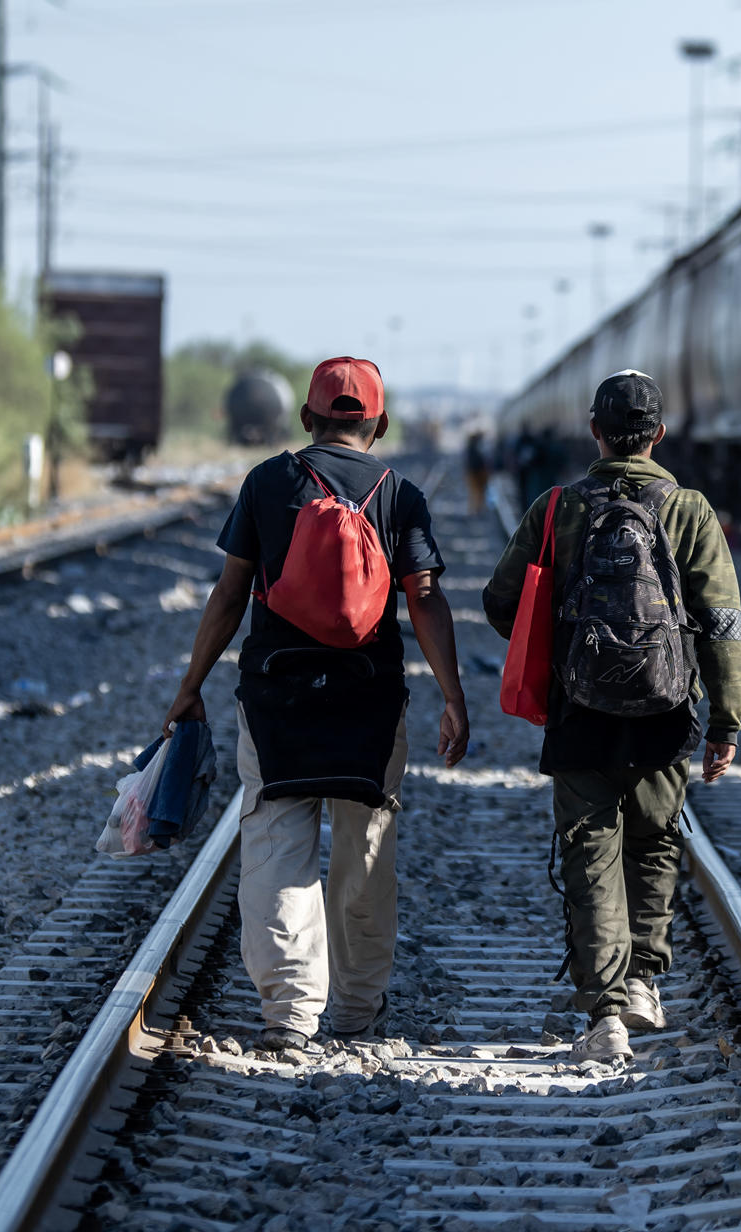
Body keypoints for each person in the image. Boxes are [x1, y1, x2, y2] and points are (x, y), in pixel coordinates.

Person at [163, 356, 469, 1052]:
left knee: (276, 847)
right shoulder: (401, 494)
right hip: (368, 698)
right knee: (366, 853)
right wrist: (453, 696)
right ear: (380, 424)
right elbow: (424, 598)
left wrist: (190, 686)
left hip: (277, 697)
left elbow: (229, 594)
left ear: (307, 419)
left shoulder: (268, 482)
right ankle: (357, 1013)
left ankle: (291, 1016)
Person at [483, 370, 741, 1062]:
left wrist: (559, 641)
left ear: (594, 432)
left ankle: (604, 1015)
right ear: (657, 435)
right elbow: (721, 624)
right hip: (664, 710)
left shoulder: (558, 506)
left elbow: (499, 602)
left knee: (589, 847)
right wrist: (726, 722)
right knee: (655, 840)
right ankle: (642, 982)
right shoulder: (689, 509)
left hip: (579, 710)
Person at [463, 430, 491, 517]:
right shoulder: (475, 448)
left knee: (476, 491)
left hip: (474, 472)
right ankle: (477, 509)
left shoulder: (471, 448)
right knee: (477, 491)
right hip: (476, 472)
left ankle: (476, 509)